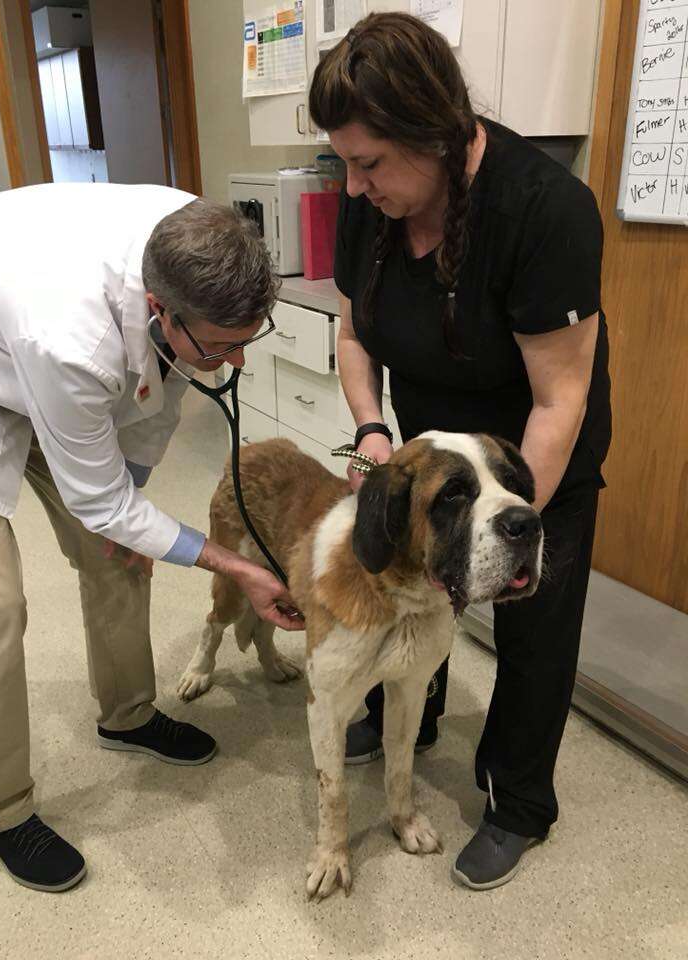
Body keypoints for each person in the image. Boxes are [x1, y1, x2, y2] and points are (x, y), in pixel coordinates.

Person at [309, 12, 611, 890]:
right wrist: (372, 428)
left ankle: (517, 802)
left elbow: (560, 398)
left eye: (369, 163)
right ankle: (410, 712)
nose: (355, 186)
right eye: (344, 163)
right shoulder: (372, 204)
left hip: (528, 453)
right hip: (427, 441)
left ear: (436, 134)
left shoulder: (542, 209)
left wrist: (504, 523)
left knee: (530, 626)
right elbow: (355, 330)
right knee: (410, 590)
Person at [0, 182, 303, 893]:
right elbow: (98, 498)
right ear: (160, 310)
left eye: (247, 341)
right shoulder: (72, 341)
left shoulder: (192, 241)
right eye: (223, 347)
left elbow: (160, 398)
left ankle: (126, 716)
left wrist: (138, 509)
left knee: (121, 558)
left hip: (29, 328)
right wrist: (234, 570)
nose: (236, 362)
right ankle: (0, 811)